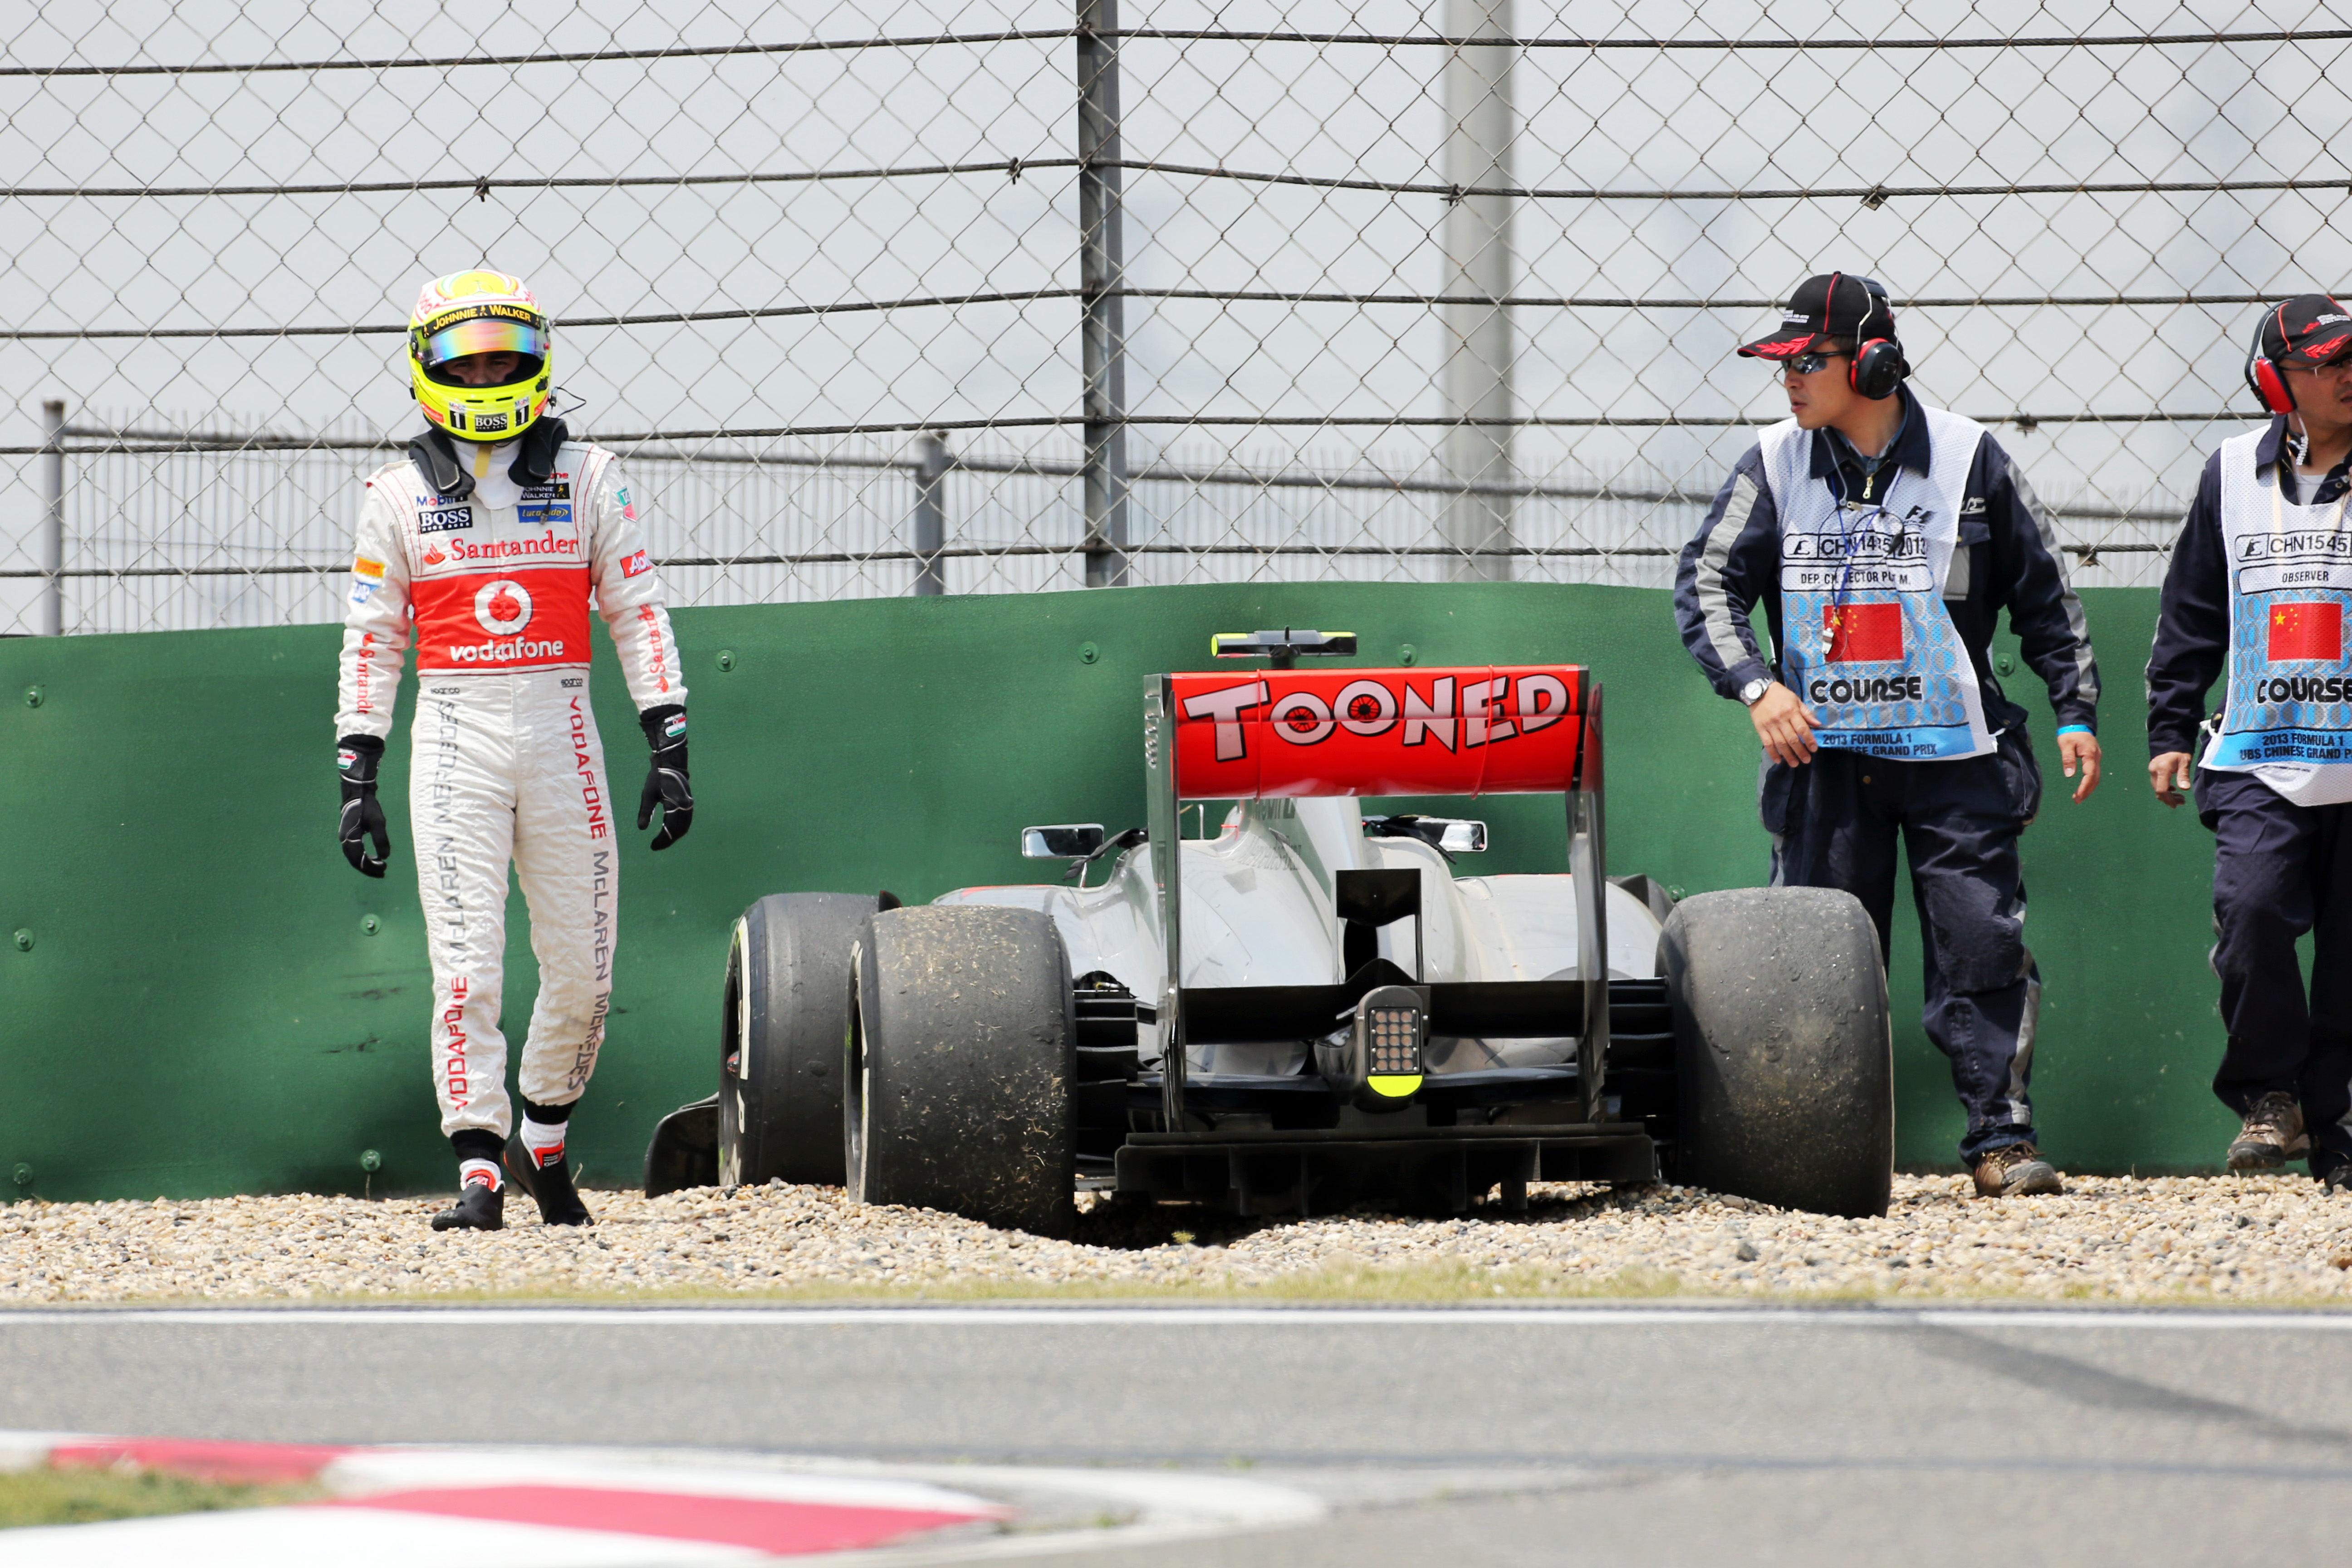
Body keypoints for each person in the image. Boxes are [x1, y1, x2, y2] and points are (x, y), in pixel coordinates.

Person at [1673, 271, 2103, 1198]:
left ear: (1872, 361)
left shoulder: (1969, 458)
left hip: (1959, 760)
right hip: (1826, 764)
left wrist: (2075, 708)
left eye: (1806, 360)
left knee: (1981, 945)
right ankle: (1803, 1153)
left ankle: (2002, 1142)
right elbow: (1707, 588)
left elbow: (2045, 595)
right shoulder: (1773, 462)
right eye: (1780, 362)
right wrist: (1756, 686)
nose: (1787, 379)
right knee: (1816, 964)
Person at [333, 269, 692, 1231]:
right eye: (467, 359)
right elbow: (373, 636)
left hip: (564, 727)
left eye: (505, 355)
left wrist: (669, 733)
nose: (488, 374)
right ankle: (480, 1170)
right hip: (453, 732)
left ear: (537, 360)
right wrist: (355, 764)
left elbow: (637, 609)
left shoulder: (591, 476)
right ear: (425, 371)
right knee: (466, 970)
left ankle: (544, 1136)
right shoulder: (396, 493)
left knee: (585, 971)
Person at [2146, 293, 2352, 1185]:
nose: (2347, 375)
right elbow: (2193, 610)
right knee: (2254, 914)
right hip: (2257, 757)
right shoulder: (2230, 473)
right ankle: (2271, 1098)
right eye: (2326, 362)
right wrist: (2168, 725)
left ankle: (2336, 1131)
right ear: (2277, 380)